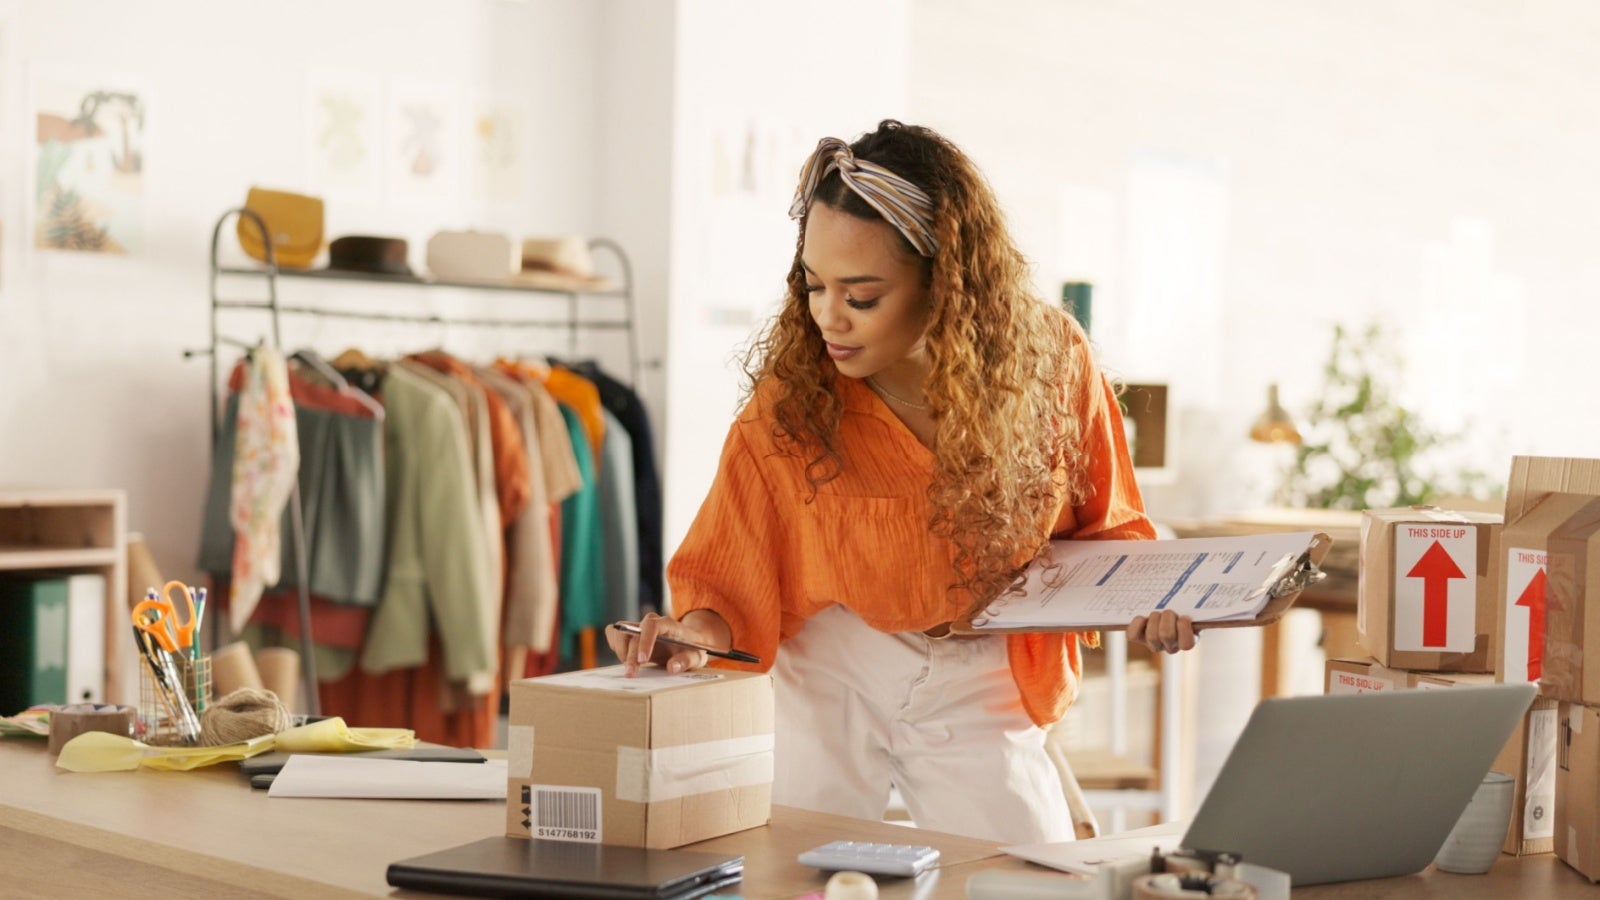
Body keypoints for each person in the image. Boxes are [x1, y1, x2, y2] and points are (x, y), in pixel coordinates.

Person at [605, 120, 1194, 845]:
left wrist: (1154, 600)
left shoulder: (1052, 363)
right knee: (802, 878)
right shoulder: (794, 396)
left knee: (1025, 879)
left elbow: (1109, 528)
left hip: (981, 665)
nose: (828, 316)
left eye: (862, 295)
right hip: (832, 667)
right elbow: (731, 571)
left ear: (945, 280)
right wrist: (691, 636)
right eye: (814, 285)